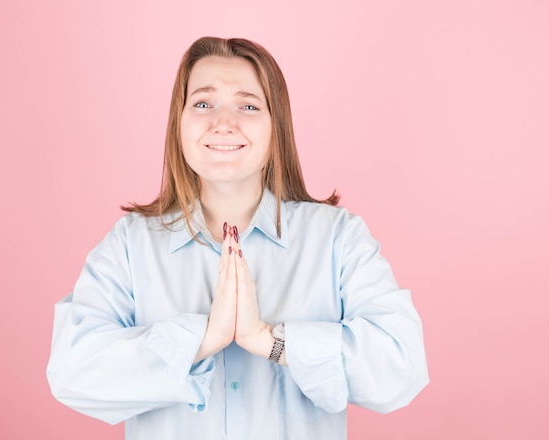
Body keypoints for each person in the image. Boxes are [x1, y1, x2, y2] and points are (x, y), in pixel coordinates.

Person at [46, 36, 429, 439]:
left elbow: (400, 367)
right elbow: (72, 370)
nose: (223, 122)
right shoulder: (129, 245)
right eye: (203, 103)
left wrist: (270, 341)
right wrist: (202, 340)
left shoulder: (337, 238)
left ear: (275, 125)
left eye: (248, 105)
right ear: (179, 121)